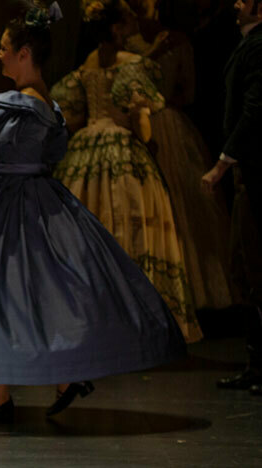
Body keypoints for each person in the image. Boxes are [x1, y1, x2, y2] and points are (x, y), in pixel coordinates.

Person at [0, 2, 187, 422]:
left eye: (4, 48)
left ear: (24, 53)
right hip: (34, 198)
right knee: (22, 296)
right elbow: (23, 155)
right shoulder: (46, 101)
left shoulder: (21, 103)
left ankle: (25, 388)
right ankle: (24, 388)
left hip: (11, 207)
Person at [51, 0, 200, 341]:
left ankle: (95, 321)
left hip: (86, 151)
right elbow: (140, 118)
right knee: (130, 225)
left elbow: (72, 116)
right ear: (116, 28)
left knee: (94, 226)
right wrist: (149, 144)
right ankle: (138, 323)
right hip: (122, 150)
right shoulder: (130, 64)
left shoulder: (87, 64)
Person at [125, 0, 236, 311]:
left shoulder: (179, 41)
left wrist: (163, 100)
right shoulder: (128, 43)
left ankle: (191, 290)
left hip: (170, 124)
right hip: (137, 124)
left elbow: (189, 92)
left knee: (183, 201)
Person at [202, 0, 262, 397]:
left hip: (255, 172)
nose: (237, 3)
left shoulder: (259, 46)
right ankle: (256, 362)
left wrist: (222, 164)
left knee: (254, 265)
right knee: (246, 266)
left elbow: (255, 109)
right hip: (248, 173)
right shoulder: (248, 44)